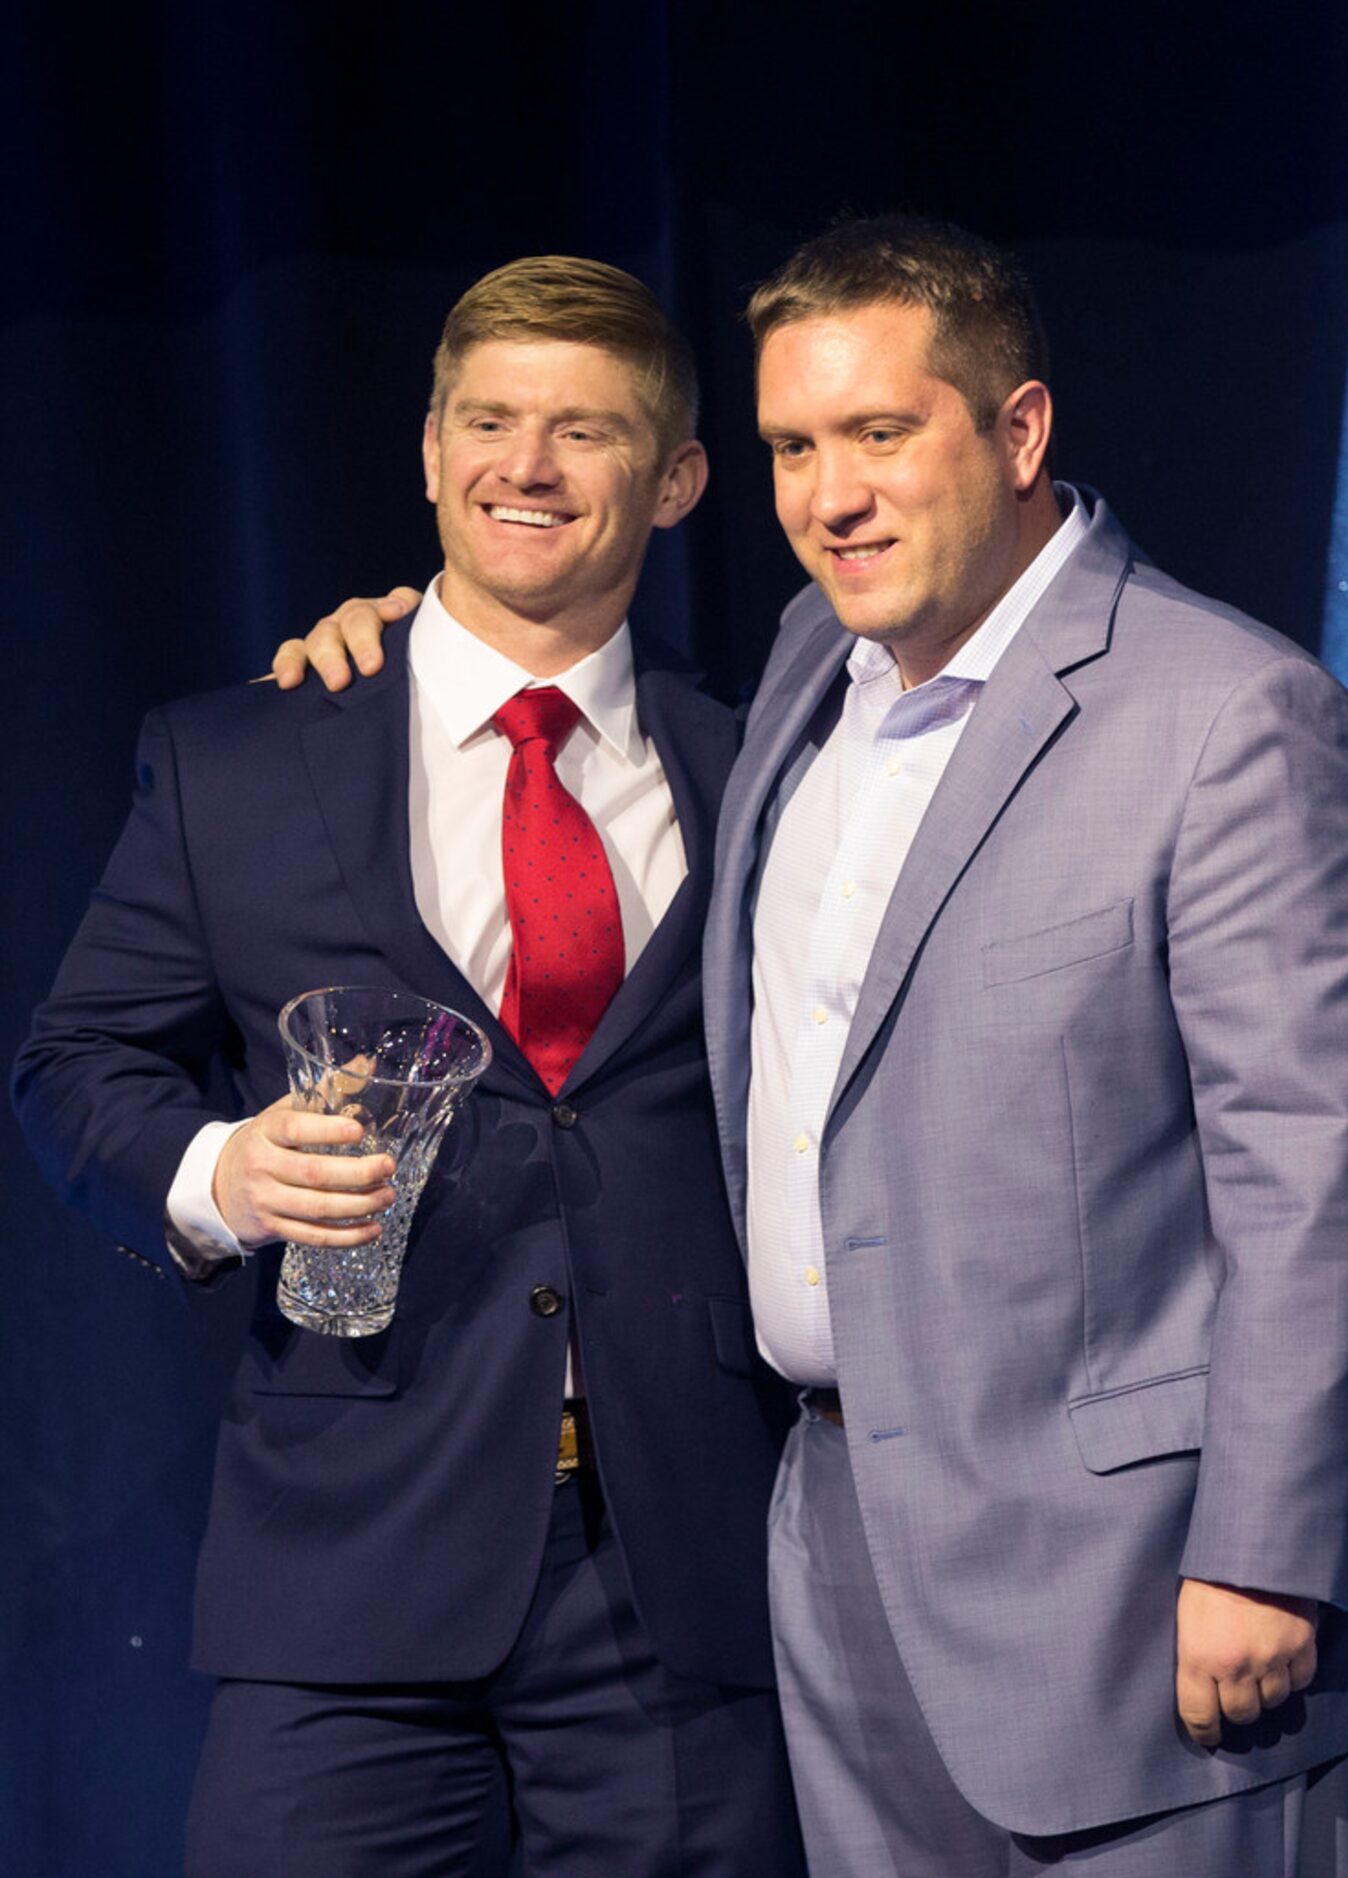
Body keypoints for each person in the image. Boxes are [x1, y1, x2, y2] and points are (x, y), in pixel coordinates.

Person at [285, 217, 1348, 1876]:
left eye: (881, 434)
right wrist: (403, 642)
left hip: (1152, 1587)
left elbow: (1320, 1170)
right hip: (838, 1579)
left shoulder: (1228, 716)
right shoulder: (798, 677)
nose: (830, 494)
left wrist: (1264, 1552)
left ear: (1021, 431)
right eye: (790, 446)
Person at [13, 256, 807, 1877]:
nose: (527, 466)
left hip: (682, 1587)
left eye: (584, 431)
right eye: (490, 422)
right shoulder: (238, 756)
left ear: (677, 482)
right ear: (430, 451)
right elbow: (76, 1059)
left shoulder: (768, 767)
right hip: (349, 1575)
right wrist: (216, 1174)